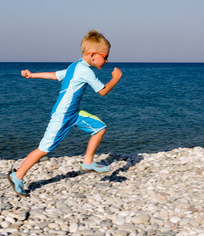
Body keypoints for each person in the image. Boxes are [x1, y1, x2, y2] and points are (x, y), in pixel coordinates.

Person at [7, 30, 122, 196]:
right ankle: (17, 176)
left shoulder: (76, 66)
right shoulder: (85, 71)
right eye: (105, 56)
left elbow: (55, 75)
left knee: (99, 127)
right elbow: (103, 91)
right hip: (63, 115)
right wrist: (116, 79)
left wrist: (32, 75)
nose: (107, 60)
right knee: (44, 149)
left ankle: (87, 163)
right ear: (92, 54)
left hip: (73, 113)